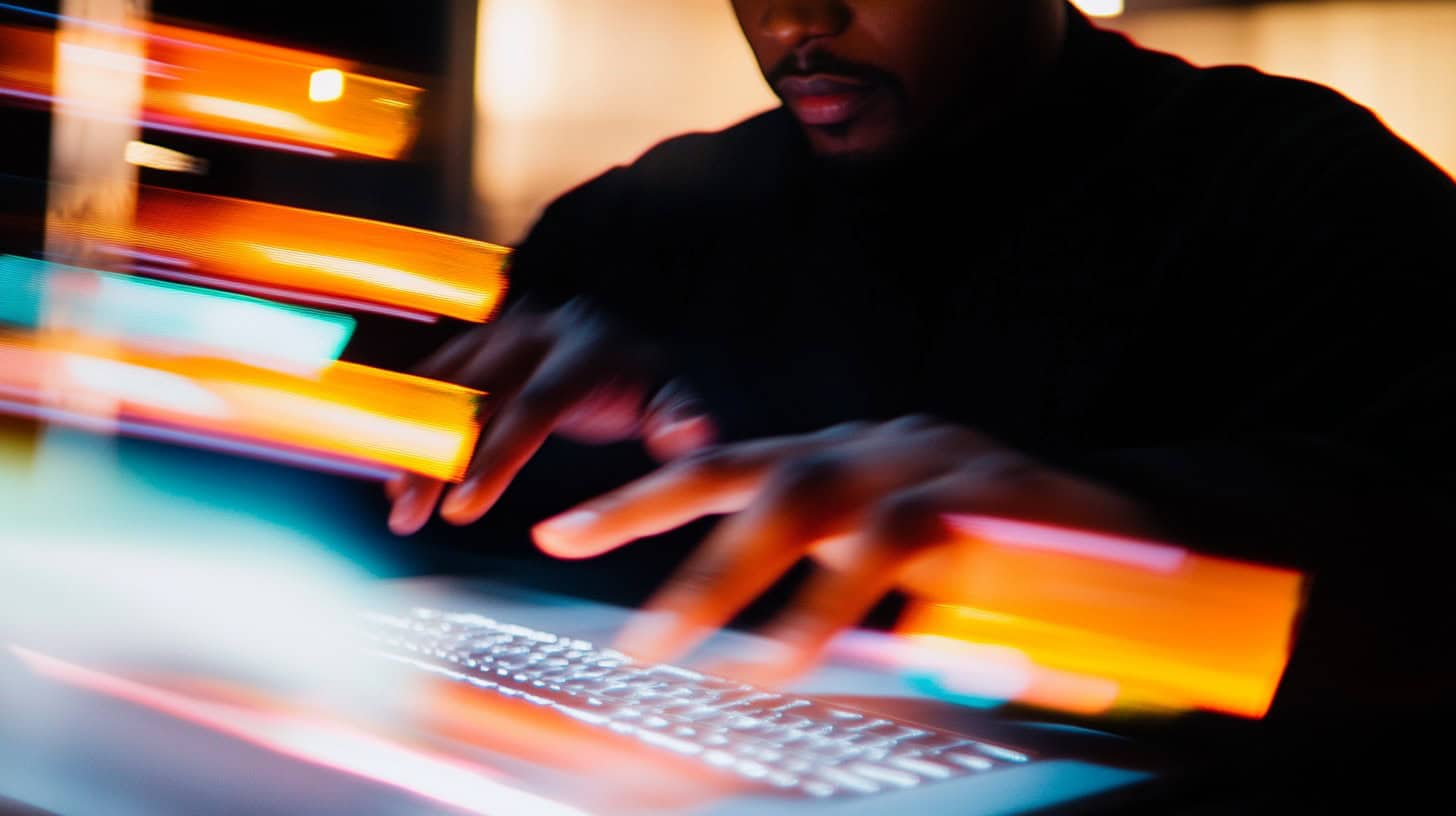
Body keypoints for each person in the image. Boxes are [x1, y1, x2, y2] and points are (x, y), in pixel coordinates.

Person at [388, 0, 1456, 725]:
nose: (792, 20)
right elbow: (409, 520)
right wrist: (495, 432)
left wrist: (1132, 541)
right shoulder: (637, 220)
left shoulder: (1296, 186)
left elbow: (1414, 593)